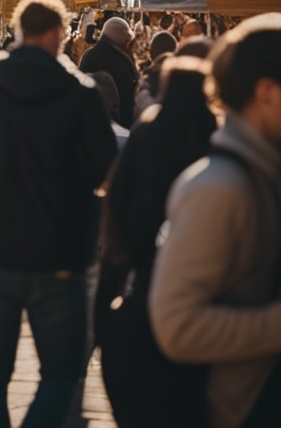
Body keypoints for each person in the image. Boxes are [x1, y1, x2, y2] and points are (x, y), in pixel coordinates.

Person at [0, 0, 117, 428]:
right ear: (58, 34)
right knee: (62, 372)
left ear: (20, 32)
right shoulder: (79, 93)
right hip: (59, 255)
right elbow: (107, 173)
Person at [149, 15, 281, 428]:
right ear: (267, 93)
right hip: (241, 408)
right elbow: (177, 324)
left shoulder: (261, 174)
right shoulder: (218, 187)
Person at [96, 56, 216, 428]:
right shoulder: (213, 139)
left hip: (141, 286)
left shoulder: (147, 132)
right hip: (196, 293)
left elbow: (117, 208)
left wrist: (104, 314)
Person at [79, 16, 139, 129]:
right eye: (127, 41)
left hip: (92, 122)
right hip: (120, 123)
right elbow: (128, 96)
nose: (128, 44)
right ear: (119, 37)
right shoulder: (120, 60)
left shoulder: (89, 54)